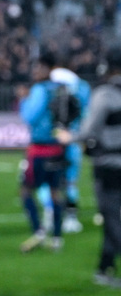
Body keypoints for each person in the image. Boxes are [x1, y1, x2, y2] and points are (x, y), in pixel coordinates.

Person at [19, 53, 73, 253]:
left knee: (25, 191)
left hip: (40, 149)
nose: (35, 72)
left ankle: (39, 231)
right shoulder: (61, 89)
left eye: (38, 67)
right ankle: (57, 237)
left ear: (47, 68)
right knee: (55, 192)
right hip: (58, 148)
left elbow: (29, 117)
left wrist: (24, 99)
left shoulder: (40, 90)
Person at [77, 63, 121, 288]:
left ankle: (105, 268)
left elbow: (88, 131)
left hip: (109, 165)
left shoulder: (105, 95)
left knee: (112, 219)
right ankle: (104, 268)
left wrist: (71, 136)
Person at [47, 63, 91, 234]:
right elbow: (85, 114)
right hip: (73, 138)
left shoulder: (50, 84)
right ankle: (71, 217)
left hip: (56, 139)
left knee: (52, 180)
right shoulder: (83, 87)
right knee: (70, 180)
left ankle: (52, 215)